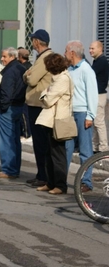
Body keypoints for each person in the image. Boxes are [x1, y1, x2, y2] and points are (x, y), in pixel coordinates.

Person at [35, 53, 74, 194]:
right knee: (49, 153)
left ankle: (60, 185)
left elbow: (48, 99)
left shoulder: (62, 79)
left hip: (58, 121)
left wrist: (44, 94)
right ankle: (50, 182)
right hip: (51, 121)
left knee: (58, 155)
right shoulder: (57, 78)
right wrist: (46, 93)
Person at [64, 40, 98, 193]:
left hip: (83, 113)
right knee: (66, 148)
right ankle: (60, 180)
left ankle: (87, 182)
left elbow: (92, 94)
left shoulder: (86, 69)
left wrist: (90, 116)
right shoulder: (70, 69)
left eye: (66, 51)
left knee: (85, 150)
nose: (64, 54)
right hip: (70, 113)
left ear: (72, 53)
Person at [24, 29, 53, 187]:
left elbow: (32, 78)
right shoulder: (42, 57)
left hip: (39, 105)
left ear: (37, 41)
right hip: (37, 104)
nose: (32, 42)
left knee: (41, 143)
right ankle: (41, 174)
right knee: (40, 143)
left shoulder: (44, 58)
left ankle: (44, 175)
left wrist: (27, 75)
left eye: (33, 40)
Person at [0, 47, 27, 179]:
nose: (2, 59)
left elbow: (7, 92)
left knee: (6, 140)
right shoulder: (20, 68)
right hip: (17, 107)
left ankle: (8, 169)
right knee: (14, 140)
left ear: (12, 57)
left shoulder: (10, 71)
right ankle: (13, 168)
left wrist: (2, 107)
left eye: (4, 56)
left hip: (8, 109)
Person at [89, 41, 109, 153]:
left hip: (99, 95)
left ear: (100, 49)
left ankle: (103, 147)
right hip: (96, 94)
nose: (90, 50)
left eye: (93, 48)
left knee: (99, 122)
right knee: (96, 122)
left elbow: (91, 74)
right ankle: (95, 146)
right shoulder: (97, 61)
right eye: (90, 48)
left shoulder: (102, 61)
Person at [18, 48, 32, 140]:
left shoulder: (24, 68)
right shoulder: (30, 66)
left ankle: (27, 134)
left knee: (24, 116)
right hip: (26, 94)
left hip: (24, 94)